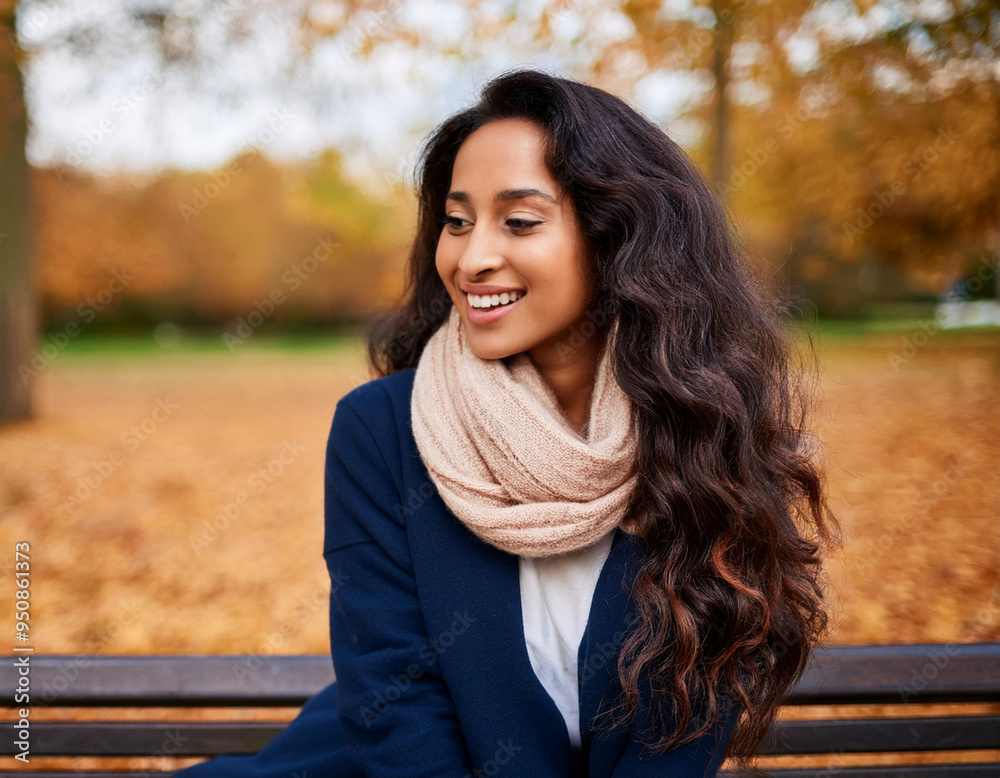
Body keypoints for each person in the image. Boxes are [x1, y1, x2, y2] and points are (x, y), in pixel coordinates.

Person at [173, 67, 841, 778]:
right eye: (457, 221)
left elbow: (685, 728)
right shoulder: (384, 432)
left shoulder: (703, 435)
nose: (471, 258)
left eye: (519, 221)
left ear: (620, 240)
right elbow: (396, 712)